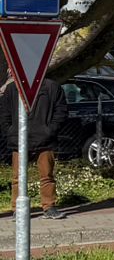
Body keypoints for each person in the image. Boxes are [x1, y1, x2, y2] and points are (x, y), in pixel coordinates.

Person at [0, 72, 69, 218]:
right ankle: (18, 209)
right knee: (18, 177)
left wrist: (49, 130)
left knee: (47, 176)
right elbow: (4, 113)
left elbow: (61, 111)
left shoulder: (51, 87)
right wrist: (11, 131)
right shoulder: (13, 89)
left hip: (45, 140)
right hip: (19, 139)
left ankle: (49, 207)